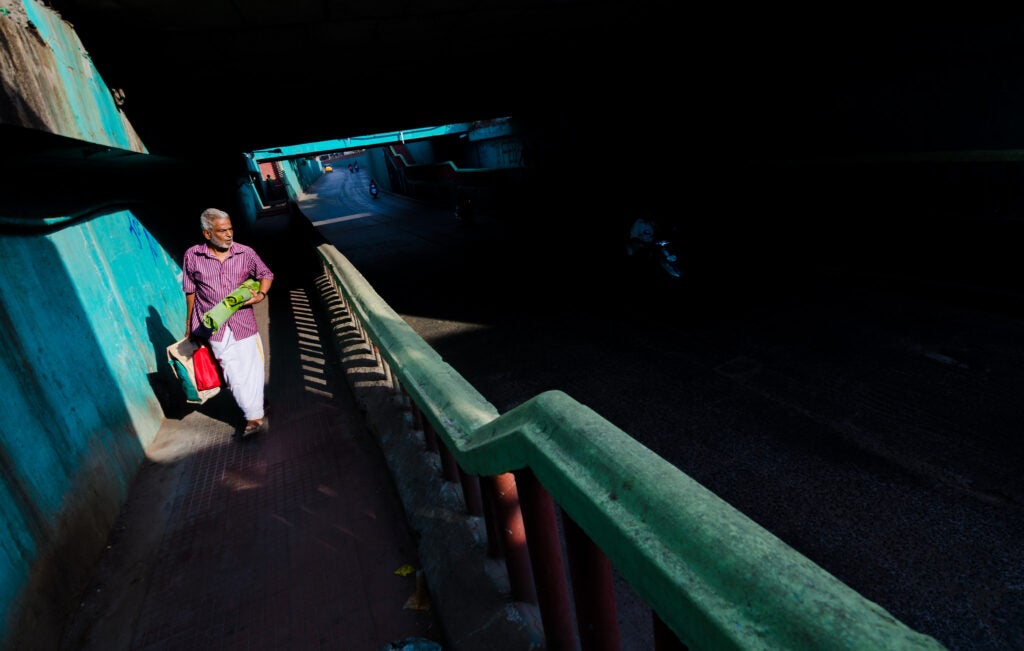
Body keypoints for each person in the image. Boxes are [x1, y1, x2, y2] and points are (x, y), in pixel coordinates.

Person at [182, 208, 274, 437]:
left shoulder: (245, 252)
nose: (228, 234)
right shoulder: (193, 256)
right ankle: (255, 410)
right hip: (215, 327)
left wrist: (260, 294)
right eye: (222, 231)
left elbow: (266, 274)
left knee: (252, 367)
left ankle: (255, 411)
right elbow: (190, 290)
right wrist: (189, 324)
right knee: (231, 370)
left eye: (230, 229)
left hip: (244, 321)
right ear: (207, 233)